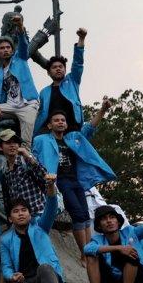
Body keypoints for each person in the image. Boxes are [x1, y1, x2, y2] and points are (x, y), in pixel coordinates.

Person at [32, 99, 116, 264]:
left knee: (85, 215)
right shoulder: (42, 140)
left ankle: (90, 250)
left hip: (75, 180)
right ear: (49, 125)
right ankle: (84, 254)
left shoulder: (72, 138)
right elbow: (34, 157)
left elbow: (89, 128)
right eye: (56, 120)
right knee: (77, 215)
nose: (60, 122)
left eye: (63, 120)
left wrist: (103, 110)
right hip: (59, 181)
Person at [0, 174, 67, 283]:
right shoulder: (5, 240)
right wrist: (12, 276)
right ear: (10, 218)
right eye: (16, 211)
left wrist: (50, 187)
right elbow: (6, 266)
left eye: (24, 210)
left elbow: (51, 207)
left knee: (45, 267)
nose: (21, 214)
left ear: (30, 214)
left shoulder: (41, 228)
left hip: (47, 279)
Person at [0, 15, 39, 148]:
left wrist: (20, 26)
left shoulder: (20, 59)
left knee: (26, 144)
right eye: (2, 48)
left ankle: (25, 158)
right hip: (9, 106)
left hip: (28, 105)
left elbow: (23, 44)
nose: (5, 50)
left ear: (12, 50)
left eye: (8, 47)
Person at [33, 28, 87, 135]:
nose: (58, 69)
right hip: (51, 133)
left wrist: (81, 38)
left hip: (73, 130)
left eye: (61, 67)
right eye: (54, 67)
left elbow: (78, 63)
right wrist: (35, 132)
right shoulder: (44, 92)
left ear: (65, 70)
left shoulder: (72, 81)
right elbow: (41, 114)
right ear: (48, 73)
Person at [0, 129, 48, 217]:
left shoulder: (26, 159)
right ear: (0, 147)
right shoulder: (5, 168)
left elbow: (45, 176)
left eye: (15, 142)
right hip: (20, 218)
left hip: (38, 213)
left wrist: (28, 157)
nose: (12, 145)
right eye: (8, 143)